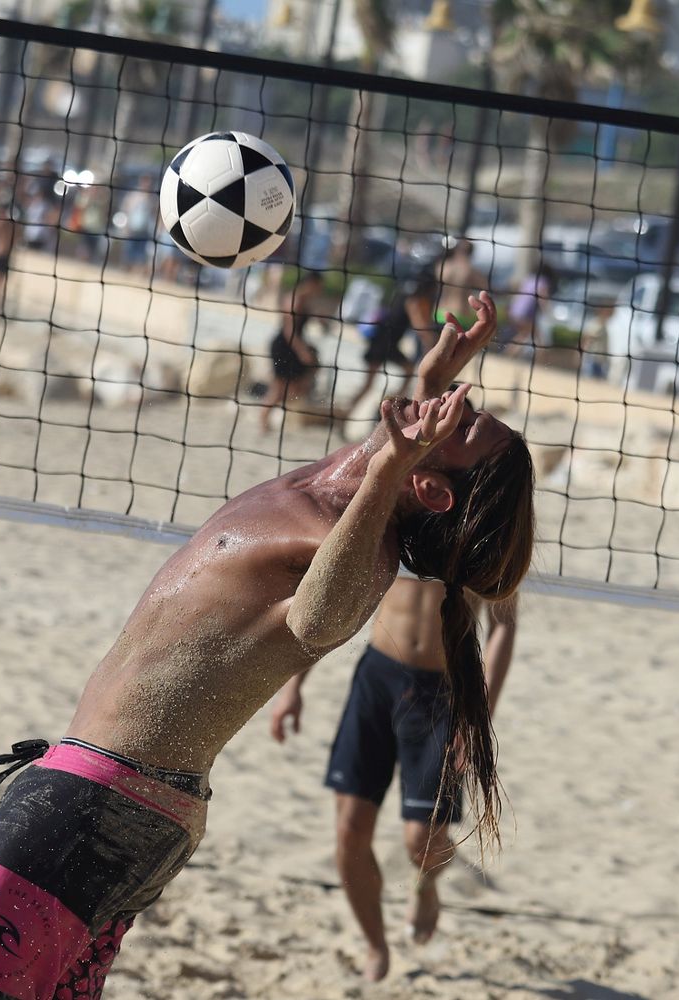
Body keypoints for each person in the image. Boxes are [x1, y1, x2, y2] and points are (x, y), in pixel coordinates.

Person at [0, 293, 536, 1000]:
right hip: (121, 798)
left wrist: (394, 463)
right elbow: (373, 461)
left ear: (428, 486)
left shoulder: (365, 552)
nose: (457, 403)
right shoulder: (335, 488)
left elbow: (317, 622)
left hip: (103, 803)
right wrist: (426, 386)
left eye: (465, 423)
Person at [269, 406, 519, 982]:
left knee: (422, 841)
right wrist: (293, 687)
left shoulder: (483, 529)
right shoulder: (401, 509)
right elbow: (328, 600)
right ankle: (375, 944)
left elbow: (504, 629)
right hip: (377, 679)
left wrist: (478, 718)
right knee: (348, 831)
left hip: (444, 694)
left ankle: (427, 887)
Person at [342, 274, 439, 421]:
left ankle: (383, 407)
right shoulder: (412, 301)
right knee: (370, 384)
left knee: (404, 372)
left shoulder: (403, 294)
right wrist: (432, 342)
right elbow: (420, 326)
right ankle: (380, 408)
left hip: (385, 342)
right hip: (383, 343)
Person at [260, 270, 325, 431]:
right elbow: (289, 331)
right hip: (285, 346)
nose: (320, 289)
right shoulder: (294, 299)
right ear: (311, 283)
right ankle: (263, 420)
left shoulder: (305, 299)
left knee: (295, 386)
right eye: (319, 286)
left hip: (294, 345)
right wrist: (302, 352)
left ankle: (270, 417)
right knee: (278, 388)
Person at [435, 239, 487, 329]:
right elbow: (485, 287)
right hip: (460, 316)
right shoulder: (471, 271)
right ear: (471, 253)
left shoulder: (442, 266)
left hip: (439, 313)